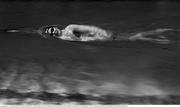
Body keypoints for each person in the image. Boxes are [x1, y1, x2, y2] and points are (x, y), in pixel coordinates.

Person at [39, 24, 112, 41]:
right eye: (51, 33)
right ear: (52, 35)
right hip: (96, 39)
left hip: (100, 36)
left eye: (52, 29)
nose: (53, 31)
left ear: (55, 27)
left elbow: (90, 28)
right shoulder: (62, 39)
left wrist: (104, 33)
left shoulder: (70, 28)